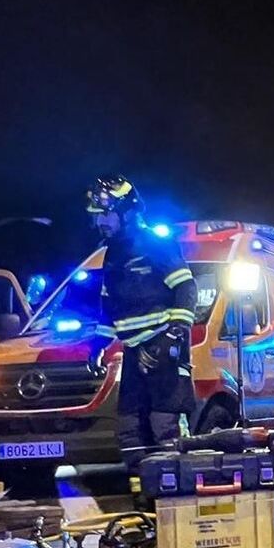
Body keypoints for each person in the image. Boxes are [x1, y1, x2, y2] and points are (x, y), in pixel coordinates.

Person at [85, 175, 198, 486]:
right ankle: (146, 495)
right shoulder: (112, 254)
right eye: (97, 217)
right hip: (134, 352)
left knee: (165, 426)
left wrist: (173, 335)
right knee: (130, 429)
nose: (101, 223)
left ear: (127, 212)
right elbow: (111, 308)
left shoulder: (154, 244)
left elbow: (187, 288)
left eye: (106, 215)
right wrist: (99, 345)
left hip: (164, 349)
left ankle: (176, 495)